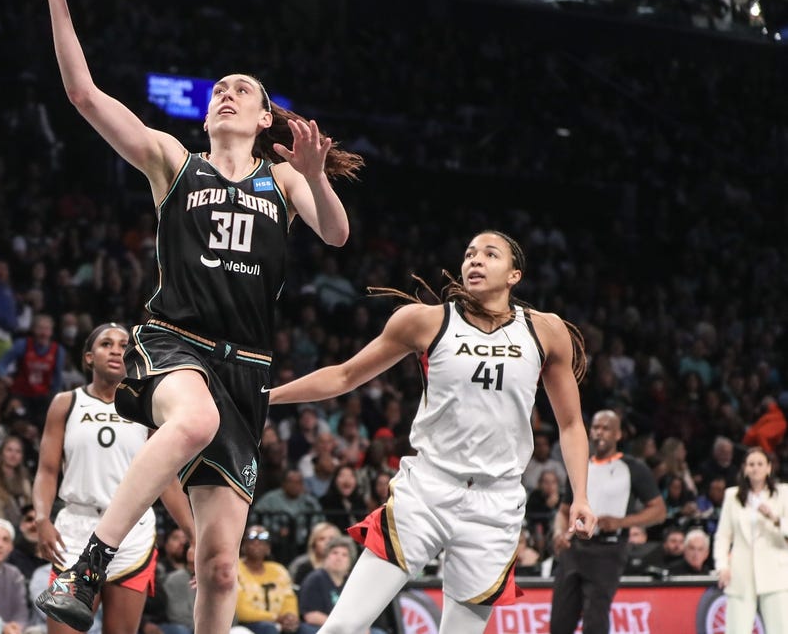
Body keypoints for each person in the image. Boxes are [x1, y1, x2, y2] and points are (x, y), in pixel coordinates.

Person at [35, 0, 360, 631]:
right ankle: (90, 561)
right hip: (175, 342)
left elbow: (336, 234)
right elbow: (86, 96)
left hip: (248, 368)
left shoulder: (284, 181)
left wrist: (314, 174)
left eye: (242, 88)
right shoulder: (173, 163)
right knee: (194, 417)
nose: (226, 92)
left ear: (264, 114)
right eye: (219, 87)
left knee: (218, 566)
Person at [269, 231, 596, 634]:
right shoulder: (426, 320)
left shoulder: (545, 331)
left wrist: (581, 495)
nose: (475, 260)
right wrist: (266, 397)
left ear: (514, 275)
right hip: (427, 491)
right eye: (469, 253)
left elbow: (571, 424)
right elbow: (344, 376)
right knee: (342, 628)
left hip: (496, 505)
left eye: (490, 255)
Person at [33, 324, 194, 634]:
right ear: (89, 357)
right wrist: (42, 518)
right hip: (75, 528)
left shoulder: (148, 407)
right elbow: (47, 470)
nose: (117, 349)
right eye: (107, 344)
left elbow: (167, 479)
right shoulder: (65, 403)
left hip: (131, 533)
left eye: (124, 344)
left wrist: (194, 534)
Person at [550, 409, 666, 634]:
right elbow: (563, 511)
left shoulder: (633, 468)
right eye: (595, 427)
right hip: (574, 549)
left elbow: (659, 511)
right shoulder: (580, 466)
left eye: (606, 428)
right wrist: (558, 534)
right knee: (560, 622)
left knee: (595, 621)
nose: (599, 433)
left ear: (618, 435)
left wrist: (621, 522)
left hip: (609, 550)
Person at [713, 446, 788, 634]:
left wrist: (775, 518)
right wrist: (722, 566)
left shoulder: (783, 494)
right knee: (737, 629)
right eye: (751, 464)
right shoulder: (733, 496)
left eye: (760, 464)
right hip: (741, 573)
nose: (756, 468)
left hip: (775, 571)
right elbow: (723, 535)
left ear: (769, 468)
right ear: (745, 468)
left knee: (779, 629)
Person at [297, 536, 386, 634]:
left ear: (350, 562)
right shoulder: (314, 579)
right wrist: (342, 629)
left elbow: (360, 614)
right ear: (326, 557)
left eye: (344, 555)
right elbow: (311, 616)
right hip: (322, 627)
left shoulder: (354, 582)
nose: (339, 558)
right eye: (335, 553)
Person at [234, 525, 299, 634]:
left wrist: (290, 617)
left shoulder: (279, 570)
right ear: (243, 545)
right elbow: (241, 611)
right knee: (268, 628)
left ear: (268, 548)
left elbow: (289, 599)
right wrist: (275, 618)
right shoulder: (235, 568)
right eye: (251, 539)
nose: (257, 543)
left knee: (306, 630)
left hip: (279, 622)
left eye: (262, 540)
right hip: (246, 624)